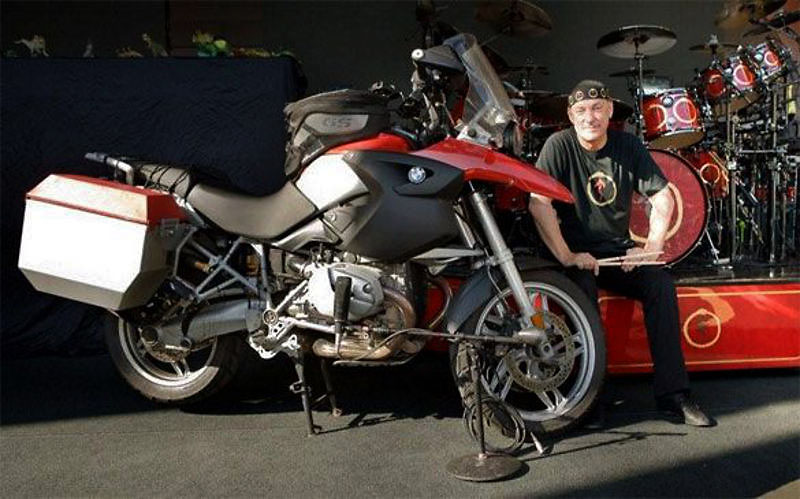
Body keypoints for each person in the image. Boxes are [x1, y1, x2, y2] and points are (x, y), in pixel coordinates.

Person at [528, 79, 715, 427]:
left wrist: (652, 247)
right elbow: (538, 204)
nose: (590, 117)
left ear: (610, 110)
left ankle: (673, 395)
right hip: (574, 255)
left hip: (616, 252)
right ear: (571, 115)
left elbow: (663, 197)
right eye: (582, 110)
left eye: (598, 108)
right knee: (582, 291)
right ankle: (590, 397)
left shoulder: (627, 145)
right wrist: (568, 256)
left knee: (660, 284)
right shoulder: (558, 145)